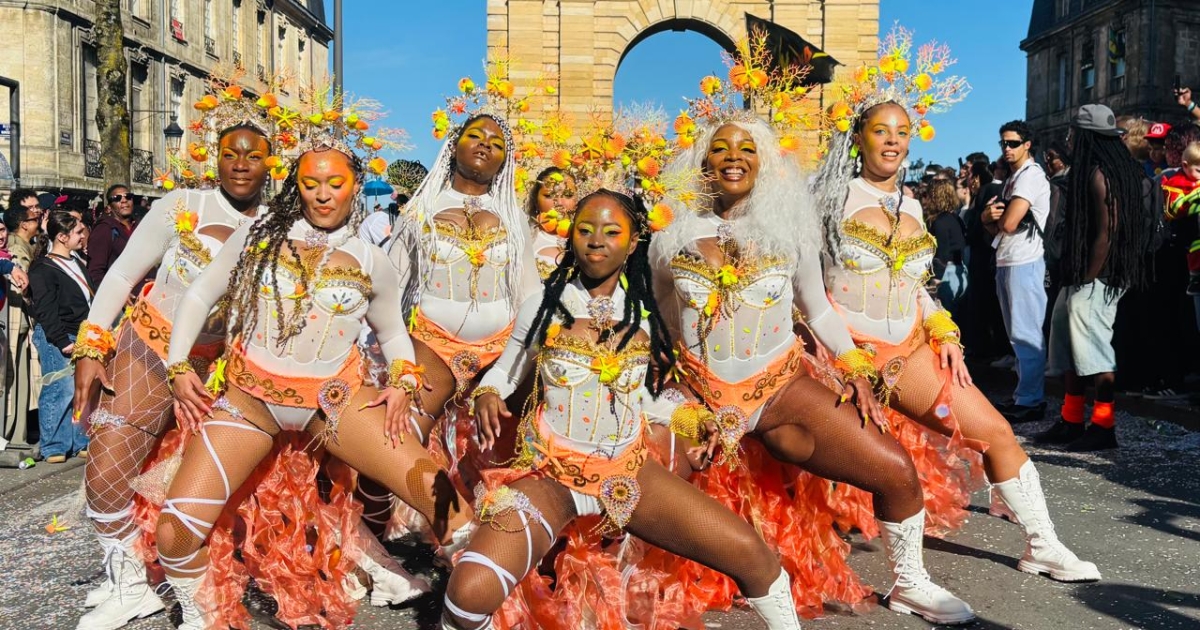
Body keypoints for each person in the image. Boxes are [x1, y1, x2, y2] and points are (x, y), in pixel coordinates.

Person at [654, 113, 973, 624]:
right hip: (698, 396)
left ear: (764, 163)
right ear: (702, 161)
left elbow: (817, 306)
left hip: (780, 392)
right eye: (720, 148)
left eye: (747, 148)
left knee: (894, 470)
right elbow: (661, 316)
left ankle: (911, 583)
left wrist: (852, 364)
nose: (733, 156)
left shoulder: (788, 228)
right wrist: (680, 394)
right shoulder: (671, 230)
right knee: (630, 489)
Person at [814, 35, 1100, 588]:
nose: (894, 143)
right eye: (882, 132)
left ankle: (1043, 543)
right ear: (859, 137)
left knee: (994, 431)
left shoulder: (914, 204)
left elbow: (919, 285)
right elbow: (805, 287)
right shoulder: (830, 199)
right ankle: (905, 582)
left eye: (903, 133)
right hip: (840, 355)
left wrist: (943, 329)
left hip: (911, 350)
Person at [449, 188, 804, 630]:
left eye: (612, 231)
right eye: (586, 229)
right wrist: (488, 393)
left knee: (755, 558)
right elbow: (507, 370)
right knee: (469, 594)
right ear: (571, 237)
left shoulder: (645, 313)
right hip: (553, 474)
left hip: (628, 473)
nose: (597, 239)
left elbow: (646, 396)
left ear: (633, 242)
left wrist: (691, 417)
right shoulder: (542, 305)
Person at [162, 131, 474, 629]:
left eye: (334, 183)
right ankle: (204, 616)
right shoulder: (258, 235)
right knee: (173, 536)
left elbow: (393, 333)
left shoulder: (374, 260)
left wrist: (404, 380)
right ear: (296, 187)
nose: (322, 194)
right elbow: (199, 295)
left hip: (334, 403)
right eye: (310, 183)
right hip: (250, 402)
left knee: (450, 508)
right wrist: (178, 365)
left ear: (354, 186)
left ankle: (473, 609)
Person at [71, 119, 283, 629]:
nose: (240, 162)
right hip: (152, 343)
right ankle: (130, 583)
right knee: (108, 464)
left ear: (270, 164)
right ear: (216, 155)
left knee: (220, 488)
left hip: (223, 368)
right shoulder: (181, 206)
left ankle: (200, 583)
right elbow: (124, 274)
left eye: (254, 155)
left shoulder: (282, 223)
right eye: (231, 152)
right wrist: (91, 345)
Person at [1036, 104, 1151, 452]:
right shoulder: (1096, 170)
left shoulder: (1103, 174)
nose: (1070, 139)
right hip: (1083, 274)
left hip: (1100, 275)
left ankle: (1103, 426)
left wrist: (1087, 278)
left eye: (1074, 133)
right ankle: (1071, 420)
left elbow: (1108, 232)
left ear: (1087, 137)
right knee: (1069, 347)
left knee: (1095, 352)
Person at [983, 120, 1051, 422]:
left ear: (1027, 144)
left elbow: (1009, 223)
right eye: (1003, 144)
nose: (1006, 149)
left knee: (1026, 335)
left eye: (1012, 143)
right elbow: (994, 227)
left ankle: (1032, 400)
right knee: (1016, 336)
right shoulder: (1014, 178)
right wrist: (988, 217)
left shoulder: (1030, 177)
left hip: (1025, 261)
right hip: (1007, 259)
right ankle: (1025, 396)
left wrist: (991, 218)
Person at [28, 210, 92, 463]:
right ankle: (55, 444)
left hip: (81, 331)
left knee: (81, 388)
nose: (82, 235)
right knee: (59, 388)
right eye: (78, 232)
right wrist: (62, 340)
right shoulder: (43, 267)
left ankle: (79, 440)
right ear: (63, 237)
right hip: (59, 334)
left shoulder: (77, 261)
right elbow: (45, 308)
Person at [926, 179, 969, 318]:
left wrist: (935, 279)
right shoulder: (955, 218)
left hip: (946, 275)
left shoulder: (940, 222)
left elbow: (942, 253)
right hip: (960, 271)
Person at [527, 166, 578, 279]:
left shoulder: (588, 239)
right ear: (536, 200)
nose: (559, 202)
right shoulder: (522, 238)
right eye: (549, 195)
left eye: (568, 195)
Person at [87, 184, 138, 288]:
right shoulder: (104, 229)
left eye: (128, 196)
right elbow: (95, 271)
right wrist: (114, 293)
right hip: (122, 296)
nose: (124, 200)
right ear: (109, 208)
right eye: (117, 198)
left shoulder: (140, 226)